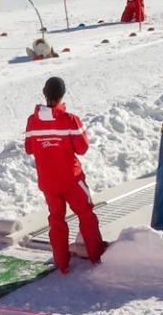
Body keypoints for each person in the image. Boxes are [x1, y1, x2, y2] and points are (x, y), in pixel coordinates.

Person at [23, 77, 106, 274]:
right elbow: (82, 148)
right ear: (63, 94)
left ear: (44, 94)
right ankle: (96, 256)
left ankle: (62, 263)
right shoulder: (70, 120)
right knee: (86, 215)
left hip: (48, 181)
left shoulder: (32, 121)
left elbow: (29, 148)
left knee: (56, 219)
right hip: (71, 180)